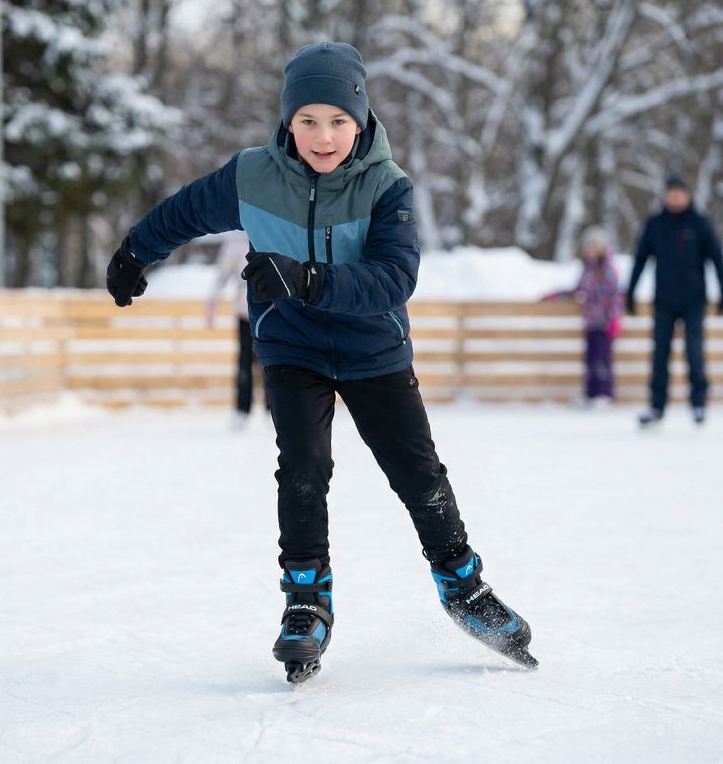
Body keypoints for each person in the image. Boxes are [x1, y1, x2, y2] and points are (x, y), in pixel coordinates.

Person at [106, 41, 536, 681]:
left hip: (373, 345)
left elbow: (395, 278)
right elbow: (186, 211)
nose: (323, 135)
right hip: (293, 345)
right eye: (307, 120)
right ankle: (306, 598)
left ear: (360, 121)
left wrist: (307, 279)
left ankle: (462, 582)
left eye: (338, 120)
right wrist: (135, 252)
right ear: (287, 122)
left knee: (417, 472)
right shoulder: (253, 175)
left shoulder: (387, 187)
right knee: (303, 467)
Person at [626, 176, 723, 426]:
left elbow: (717, 258)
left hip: (694, 300)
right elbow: (640, 258)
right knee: (660, 353)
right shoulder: (656, 224)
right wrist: (630, 291)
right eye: (671, 193)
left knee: (694, 351)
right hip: (664, 300)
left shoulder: (699, 224)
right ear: (665, 196)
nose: (676, 198)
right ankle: (656, 406)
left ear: (688, 196)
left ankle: (698, 403)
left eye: (680, 193)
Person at [543, 226, 622, 405]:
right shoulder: (588, 269)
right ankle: (591, 394)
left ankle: (604, 395)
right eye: (587, 247)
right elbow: (578, 290)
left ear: (601, 248)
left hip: (604, 323)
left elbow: (615, 296)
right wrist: (557, 295)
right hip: (591, 322)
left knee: (602, 360)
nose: (589, 250)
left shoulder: (608, 270)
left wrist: (614, 319)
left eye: (593, 247)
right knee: (591, 359)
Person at [205, 232, 268, 427]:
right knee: (245, 362)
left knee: (270, 361)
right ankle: (242, 410)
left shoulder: (266, 234)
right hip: (244, 313)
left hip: (268, 313)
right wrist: (211, 307)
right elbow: (222, 275)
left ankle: (273, 409)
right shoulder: (235, 242)